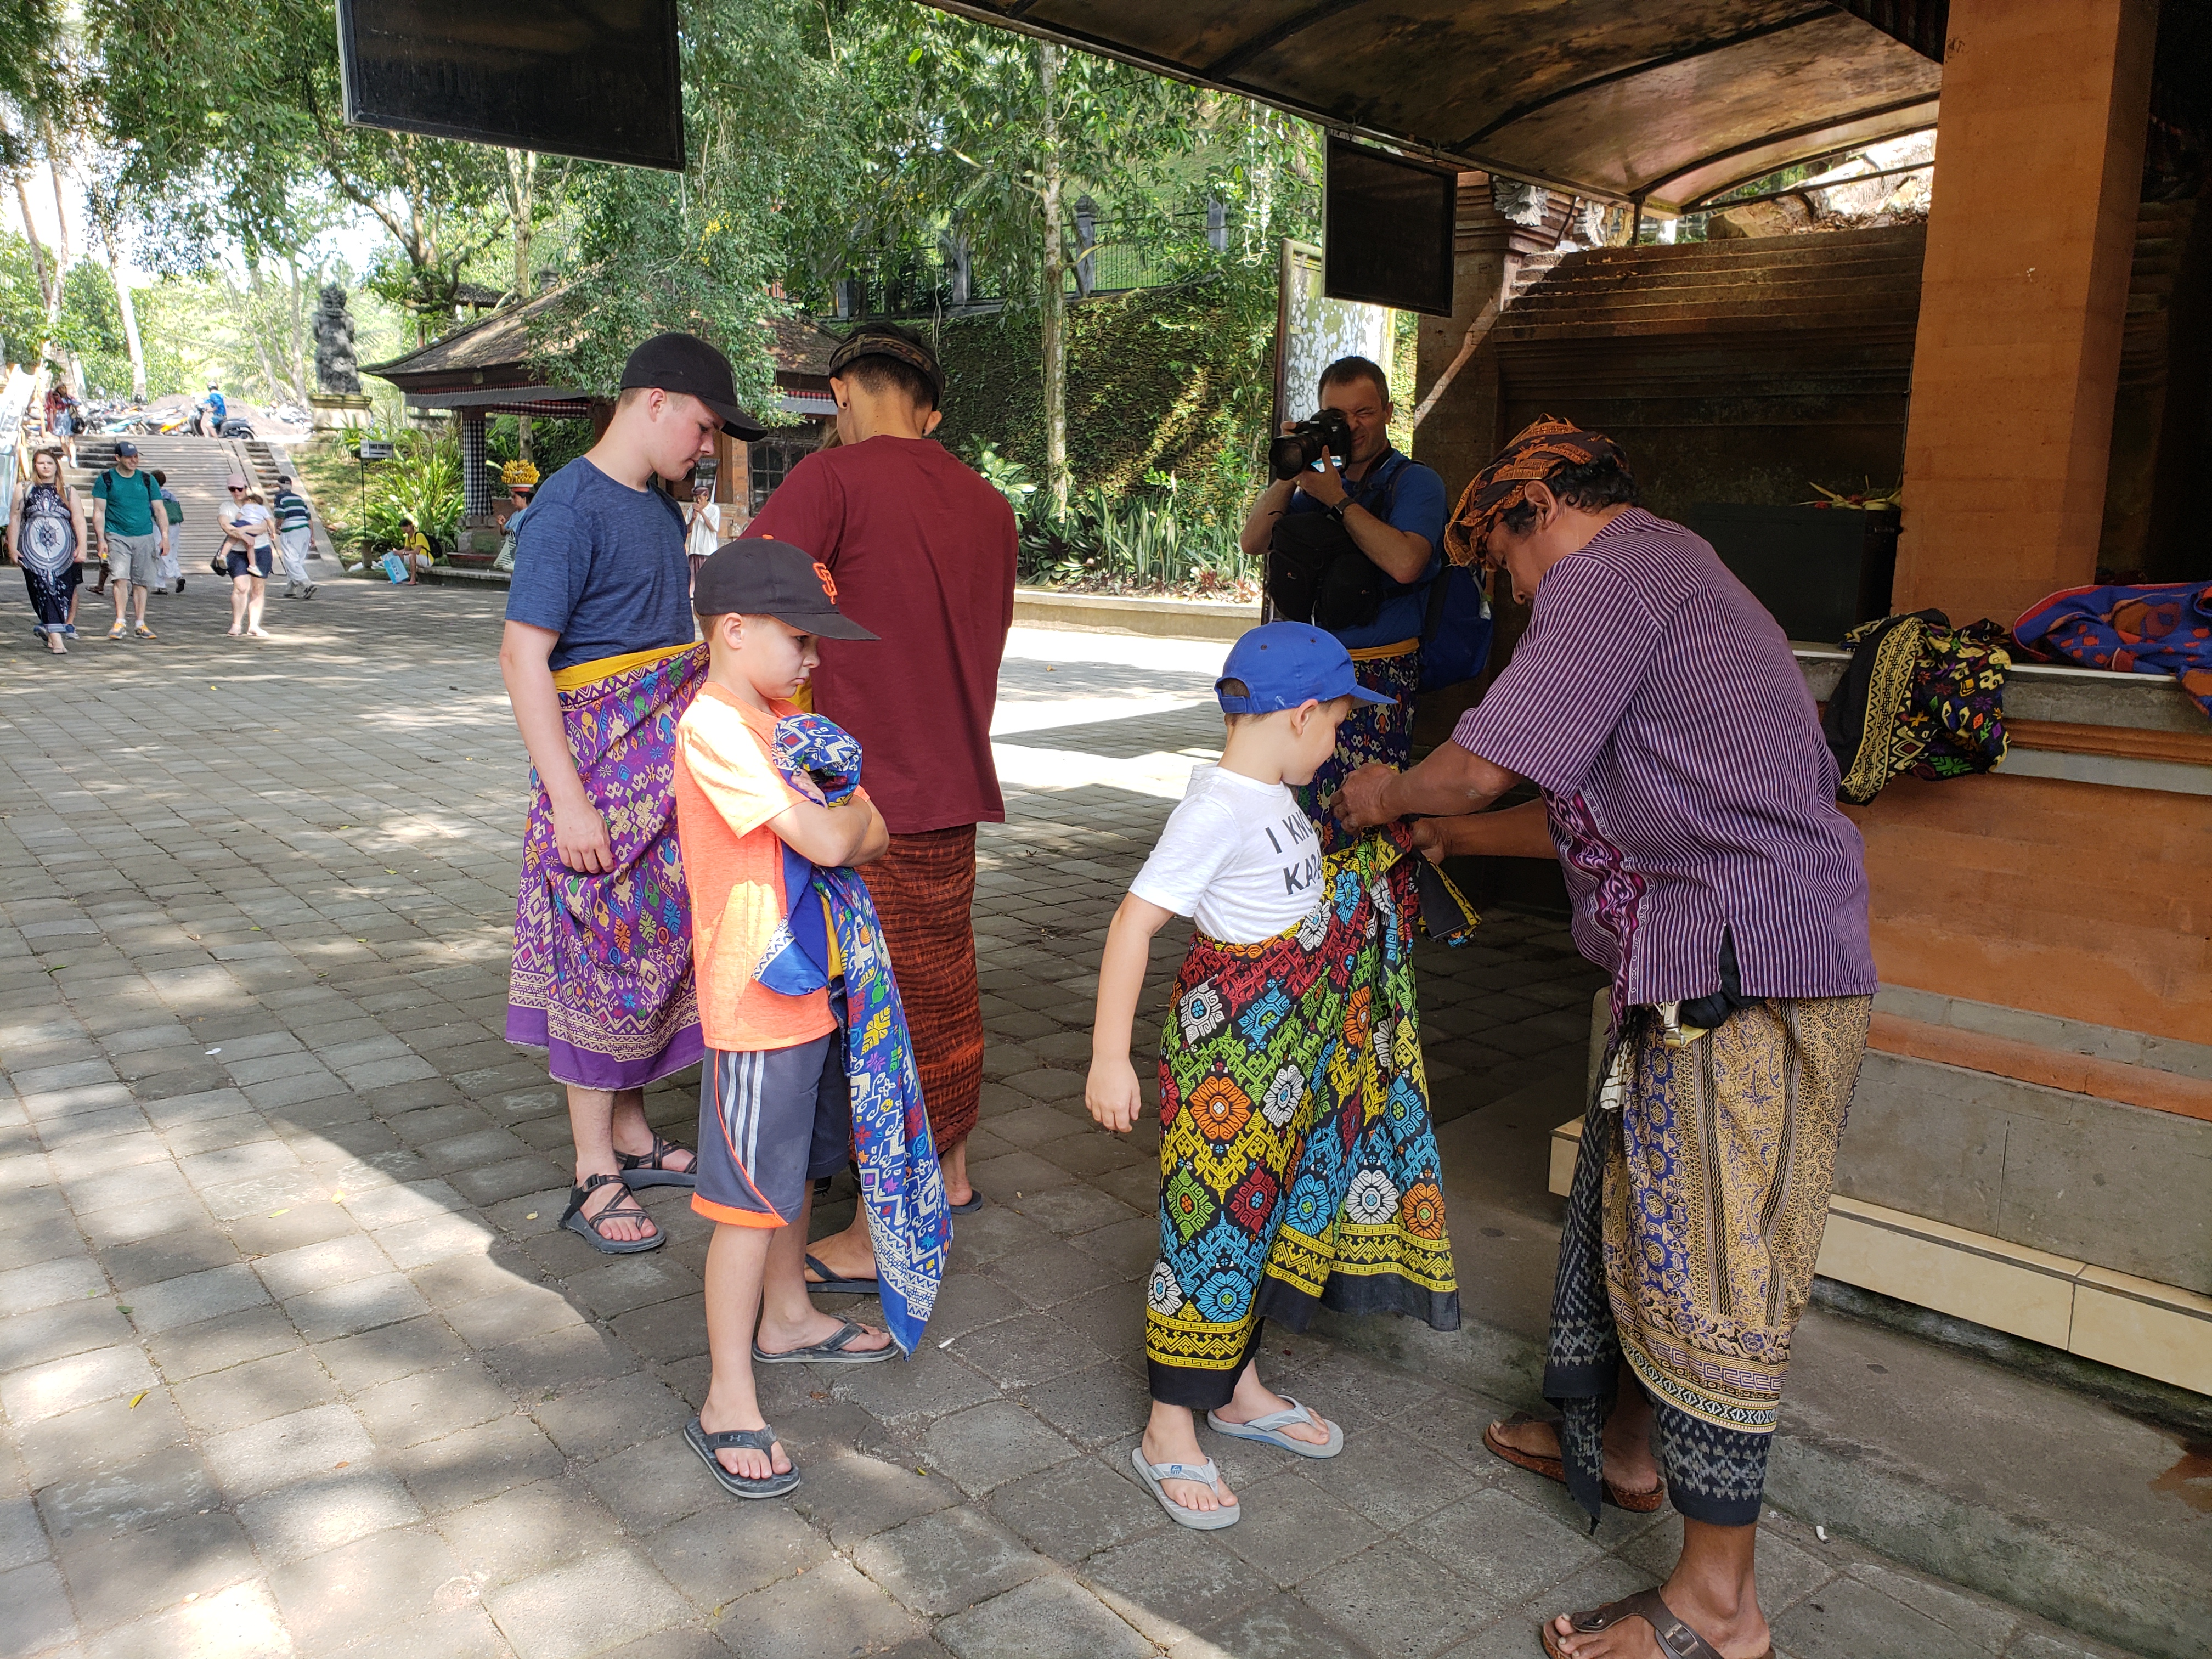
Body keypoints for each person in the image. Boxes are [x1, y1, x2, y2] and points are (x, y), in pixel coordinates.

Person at [1334, 419, 1875, 1659]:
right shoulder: (1664, 577)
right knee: (1641, 1203)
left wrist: (1391, 794)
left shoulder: (1607, 577)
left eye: (1504, 563)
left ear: (1534, 510)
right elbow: (1596, 816)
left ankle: (1720, 1609)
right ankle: (1624, 1445)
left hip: (1749, 970)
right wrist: (1453, 841)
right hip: (1722, 951)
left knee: (1716, 1264)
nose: (1512, 593)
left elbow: (1475, 772)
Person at [1087, 622, 1460, 1529]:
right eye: (1336, 722)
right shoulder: (1215, 808)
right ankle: (1167, 1426)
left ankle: (1236, 1387)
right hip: (1229, 1072)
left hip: (1287, 1069)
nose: (1338, 741)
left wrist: (1385, 857)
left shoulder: (1270, 797)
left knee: (1256, 1222)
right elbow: (1134, 923)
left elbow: (1295, 899)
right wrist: (1108, 1054)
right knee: (1209, 1231)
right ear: (1299, 718)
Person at [743, 321, 1017, 1286]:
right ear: (925, 400)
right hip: (949, 775)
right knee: (941, 986)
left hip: (861, 791)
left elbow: (743, 595)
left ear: (844, 391)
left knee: (876, 1008)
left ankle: (874, 1227)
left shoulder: (835, 479)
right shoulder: (988, 503)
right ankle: (950, 1170)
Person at [500, 331, 768, 1252]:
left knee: (650, 958)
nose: (707, 443)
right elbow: (522, 654)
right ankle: (592, 1172)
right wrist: (570, 800)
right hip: (599, 786)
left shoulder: (654, 507)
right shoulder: (568, 508)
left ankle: (633, 1130)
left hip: (659, 788)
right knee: (597, 964)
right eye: (702, 424)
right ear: (653, 400)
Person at [673, 540, 923, 1498]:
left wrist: (847, 816)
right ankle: (726, 1394)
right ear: (734, 632)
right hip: (753, 997)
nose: (814, 659)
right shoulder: (719, 726)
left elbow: (877, 830)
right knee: (746, 1200)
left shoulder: (779, 718)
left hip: (807, 984)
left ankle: (785, 1316)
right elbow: (834, 833)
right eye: (800, 638)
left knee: (789, 1177)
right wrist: (845, 816)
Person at [1237, 356, 1448, 848]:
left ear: (1389, 412)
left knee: (1362, 813)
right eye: (1336, 415)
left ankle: (1364, 917)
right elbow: (1252, 541)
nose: (1350, 427)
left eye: (1364, 413)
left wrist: (1339, 499)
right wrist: (1294, 465)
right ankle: (1305, 914)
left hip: (1377, 676)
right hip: (1311, 673)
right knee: (1299, 810)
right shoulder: (1313, 482)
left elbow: (1405, 564)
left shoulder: (1414, 482)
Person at [10, 446, 88, 654]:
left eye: (50, 463)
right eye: (41, 463)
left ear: (56, 466)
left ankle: (52, 633)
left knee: (63, 591)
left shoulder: (69, 490)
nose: (45, 467)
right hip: (33, 550)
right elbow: (15, 518)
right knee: (42, 589)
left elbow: (79, 519)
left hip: (63, 551)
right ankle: (57, 639)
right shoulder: (24, 488)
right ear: (35, 466)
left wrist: (83, 545)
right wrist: (12, 546)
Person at [90, 438, 170, 640]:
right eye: (129, 457)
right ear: (118, 458)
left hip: (144, 535)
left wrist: (165, 536)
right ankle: (120, 621)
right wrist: (101, 539)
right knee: (120, 578)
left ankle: (140, 623)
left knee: (142, 581)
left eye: (136, 456)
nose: (134, 460)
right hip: (117, 535)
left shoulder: (147, 480)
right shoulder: (106, 479)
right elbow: (99, 511)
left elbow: (160, 509)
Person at [218, 477, 278, 638]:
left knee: (258, 589)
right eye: (232, 489)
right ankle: (236, 624)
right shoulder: (227, 507)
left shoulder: (257, 505)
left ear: (246, 488)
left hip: (261, 549)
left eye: (240, 489)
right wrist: (245, 537)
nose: (237, 492)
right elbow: (226, 525)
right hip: (237, 551)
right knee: (241, 587)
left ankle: (253, 625)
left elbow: (264, 526)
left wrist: (243, 531)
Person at [274, 472, 317, 598]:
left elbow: (280, 515)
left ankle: (307, 583)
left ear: (279, 486)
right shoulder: (299, 498)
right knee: (298, 561)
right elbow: (309, 519)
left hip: (291, 530)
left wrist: (277, 527)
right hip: (305, 530)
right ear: (291, 485)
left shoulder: (280, 498)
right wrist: (312, 536)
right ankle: (291, 589)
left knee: (291, 560)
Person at [150, 470, 185, 594]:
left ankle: (169, 578)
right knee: (172, 553)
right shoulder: (171, 495)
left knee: (160, 551)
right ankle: (175, 577)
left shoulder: (153, 495)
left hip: (157, 525)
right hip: (175, 525)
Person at [682, 476, 721, 588]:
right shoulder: (691, 510)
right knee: (693, 581)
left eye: (701, 498)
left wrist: (702, 513)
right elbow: (688, 530)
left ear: (707, 497)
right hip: (694, 551)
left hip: (707, 551)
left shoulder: (714, 509)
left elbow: (713, 527)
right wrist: (694, 518)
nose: (698, 501)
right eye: (697, 499)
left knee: (706, 581)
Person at [381, 516, 432, 584]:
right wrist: (396, 552)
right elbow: (405, 550)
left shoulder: (419, 535)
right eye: (402, 526)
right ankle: (398, 578)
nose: (404, 528)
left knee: (412, 555)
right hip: (418, 558)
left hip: (426, 559)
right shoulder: (408, 538)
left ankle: (413, 579)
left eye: (406, 526)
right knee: (398, 556)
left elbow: (417, 551)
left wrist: (404, 553)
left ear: (411, 526)